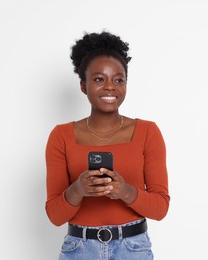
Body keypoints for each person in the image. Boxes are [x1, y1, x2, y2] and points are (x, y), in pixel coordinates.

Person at [45, 31, 170, 260]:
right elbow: (55, 215)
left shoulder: (147, 132)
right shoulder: (60, 136)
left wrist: (125, 191)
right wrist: (78, 190)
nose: (110, 87)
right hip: (79, 250)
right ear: (84, 86)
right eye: (99, 79)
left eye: (118, 79)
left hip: (133, 249)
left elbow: (160, 208)